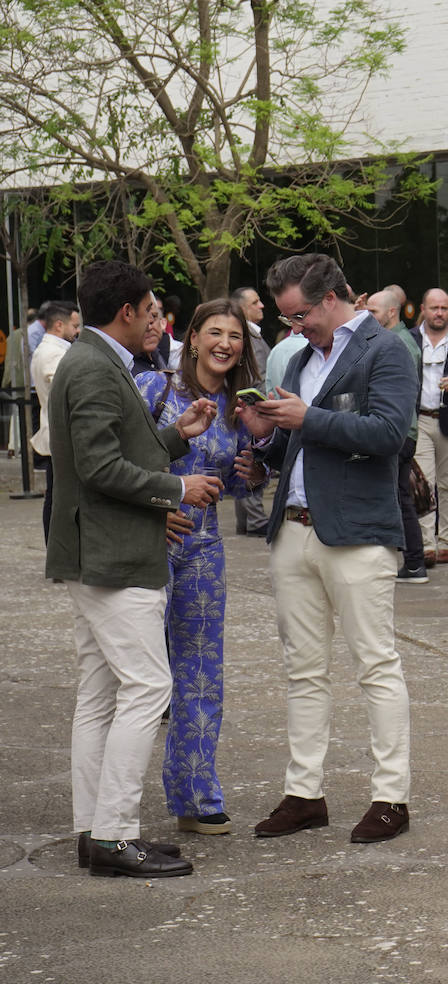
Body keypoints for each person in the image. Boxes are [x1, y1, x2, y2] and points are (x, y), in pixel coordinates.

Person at [47, 259, 222, 877]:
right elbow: (99, 468)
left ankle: (94, 832)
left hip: (96, 552)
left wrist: (176, 434)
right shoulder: (94, 367)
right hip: (113, 554)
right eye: (150, 311)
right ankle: (115, 836)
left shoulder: (91, 360)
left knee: (99, 696)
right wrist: (177, 487)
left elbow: (117, 449)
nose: (156, 320)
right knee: (148, 689)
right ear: (126, 312)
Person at [243, 253, 418, 844]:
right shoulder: (300, 357)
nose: (294, 328)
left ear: (330, 297)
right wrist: (264, 446)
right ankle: (304, 794)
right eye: (288, 319)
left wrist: (307, 418)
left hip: (358, 532)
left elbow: (392, 434)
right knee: (302, 672)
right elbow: (301, 438)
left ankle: (391, 797)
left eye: (300, 316)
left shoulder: (385, 349)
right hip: (292, 530)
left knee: (376, 665)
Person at [137, 298, 266, 837]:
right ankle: (108, 805)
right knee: (137, 680)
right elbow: (117, 465)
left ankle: (196, 795)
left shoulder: (239, 407)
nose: (225, 343)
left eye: (234, 336)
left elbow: (235, 486)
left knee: (201, 676)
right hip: (144, 544)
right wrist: (154, 510)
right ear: (190, 337)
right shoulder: (154, 390)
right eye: (215, 332)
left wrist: (253, 468)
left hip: (204, 551)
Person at [368, 288, 428, 584]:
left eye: (373, 312)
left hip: (399, 432)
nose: (367, 317)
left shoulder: (399, 344)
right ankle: (412, 561)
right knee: (397, 494)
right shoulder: (394, 340)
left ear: (392, 312)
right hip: (402, 430)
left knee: (397, 496)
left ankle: (414, 561)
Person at [412, 288, 448, 565]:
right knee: (425, 481)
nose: (439, 313)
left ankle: (446, 542)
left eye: (444, 308)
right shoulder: (409, 339)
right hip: (420, 418)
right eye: (434, 308)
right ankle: (427, 543)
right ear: (424, 309)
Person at [31, 300, 81, 542]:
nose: (77, 330)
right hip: (60, 434)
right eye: (74, 325)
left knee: (58, 495)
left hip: (57, 431)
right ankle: (58, 552)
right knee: (59, 497)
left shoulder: (49, 350)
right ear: (59, 325)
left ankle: (59, 551)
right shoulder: (53, 353)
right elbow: (68, 390)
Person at [230, 286, 271, 537]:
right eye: (256, 302)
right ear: (244, 308)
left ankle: (245, 521)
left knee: (245, 459)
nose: (262, 305)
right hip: (252, 411)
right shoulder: (249, 337)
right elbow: (252, 378)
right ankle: (254, 520)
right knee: (251, 458)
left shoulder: (251, 335)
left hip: (246, 410)